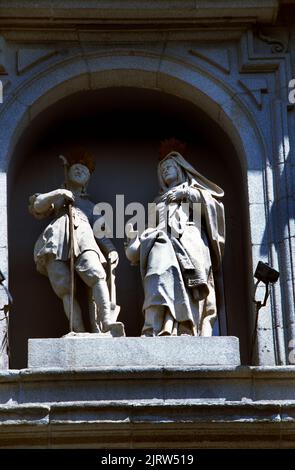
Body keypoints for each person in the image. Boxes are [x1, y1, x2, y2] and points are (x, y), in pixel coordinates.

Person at [125, 139, 225, 337]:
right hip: (161, 243)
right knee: (158, 274)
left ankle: (189, 327)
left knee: (190, 282)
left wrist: (186, 193)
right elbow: (148, 229)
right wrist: (136, 239)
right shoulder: (158, 202)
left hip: (189, 240)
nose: (165, 171)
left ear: (180, 168)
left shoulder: (195, 192)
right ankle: (157, 326)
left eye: (169, 167)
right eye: (162, 169)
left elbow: (214, 209)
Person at [29, 147, 124, 336]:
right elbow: (37, 206)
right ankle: (77, 330)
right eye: (75, 167)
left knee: (96, 274)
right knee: (64, 285)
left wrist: (111, 249)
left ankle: (106, 321)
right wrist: (58, 193)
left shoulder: (90, 206)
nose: (79, 170)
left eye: (84, 170)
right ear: (68, 171)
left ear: (87, 180)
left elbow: (100, 233)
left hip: (84, 237)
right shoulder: (59, 198)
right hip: (55, 241)